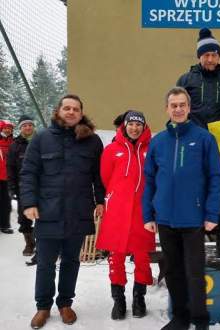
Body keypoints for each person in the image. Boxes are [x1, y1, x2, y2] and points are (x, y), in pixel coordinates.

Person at [20, 94, 105, 329]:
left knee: (71, 261)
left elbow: (99, 176)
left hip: (78, 210)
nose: (70, 112)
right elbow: (28, 173)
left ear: (81, 113)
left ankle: (65, 303)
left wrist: (100, 201)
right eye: (66, 108)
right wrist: (29, 203)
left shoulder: (93, 141)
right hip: (48, 211)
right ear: (58, 111)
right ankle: (43, 307)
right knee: (46, 263)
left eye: (75, 109)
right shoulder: (41, 139)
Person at [143, 87, 220, 330]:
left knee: (194, 272)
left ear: (189, 108)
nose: (178, 109)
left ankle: (200, 319)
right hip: (165, 219)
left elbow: (216, 177)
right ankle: (180, 317)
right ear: (167, 109)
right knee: (174, 271)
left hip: (193, 219)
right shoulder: (158, 142)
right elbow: (148, 180)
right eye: (173, 105)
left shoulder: (204, 139)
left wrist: (211, 213)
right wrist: (148, 214)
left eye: (182, 105)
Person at [176, 27, 220, 257]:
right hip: (193, 146)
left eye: (214, 54)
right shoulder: (186, 80)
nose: (210, 58)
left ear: (219, 56)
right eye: (206, 54)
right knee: (193, 192)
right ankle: (195, 239)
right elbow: (176, 109)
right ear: (199, 56)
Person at [96, 111, 155, 320]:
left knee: (142, 256)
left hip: (143, 211)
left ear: (144, 127)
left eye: (139, 124)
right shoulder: (112, 150)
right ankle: (118, 300)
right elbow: (105, 177)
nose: (135, 128)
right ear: (125, 126)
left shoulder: (152, 149)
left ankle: (139, 298)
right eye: (131, 124)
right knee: (116, 255)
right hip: (117, 211)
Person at [7, 115, 36, 258]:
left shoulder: (41, 141)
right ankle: (29, 243)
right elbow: (10, 167)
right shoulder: (15, 145)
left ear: (33, 126)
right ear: (21, 128)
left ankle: (43, 242)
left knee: (45, 216)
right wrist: (12, 187)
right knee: (24, 217)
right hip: (23, 186)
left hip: (42, 186)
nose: (28, 127)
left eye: (30, 125)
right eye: (24, 125)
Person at [0, 119, 14, 234]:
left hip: (7, 178)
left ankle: (4, 225)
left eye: (10, 128)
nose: (8, 130)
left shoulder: (12, 142)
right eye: (6, 128)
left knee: (6, 203)